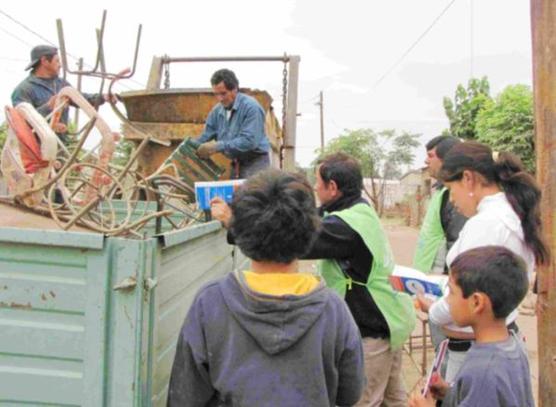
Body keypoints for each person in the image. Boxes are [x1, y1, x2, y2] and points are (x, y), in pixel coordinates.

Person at [212, 152, 416, 407]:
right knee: (394, 400)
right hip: (388, 318)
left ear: (333, 187)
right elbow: (301, 217)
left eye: (318, 182)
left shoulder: (345, 227)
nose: (316, 188)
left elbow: (292, 239)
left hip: (370, 329)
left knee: (363, 402)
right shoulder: (357, 208)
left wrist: (233, 221)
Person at [167, 169, 365, 407]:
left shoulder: (210, 302)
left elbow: (185, 396)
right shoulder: (334, 309)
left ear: (239, 230)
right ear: (311, 232)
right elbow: (350, 393)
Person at [417, 141, 550, 382]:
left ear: (468, 179)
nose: (452, 200)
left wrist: (434, 310)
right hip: (492, 342)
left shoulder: (487, 224)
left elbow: (470, 295)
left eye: (450, 189)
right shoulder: (510, 213)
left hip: (473, 351)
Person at [409, 246, 534, 407]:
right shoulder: (513, 344)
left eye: (451, 293)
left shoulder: (483, 371)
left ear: (476, 302)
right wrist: (449, 393)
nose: (447, 301)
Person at [11, 44, 108, 143]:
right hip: (36, 151)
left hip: (61, 146)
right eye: (57, 61)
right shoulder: (23, 89)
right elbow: (20, 122)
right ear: (44, 61)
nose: (60, 65)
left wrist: (104, 97)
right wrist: (48, 107)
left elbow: (81, 99)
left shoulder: (61, 84)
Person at [190, 68, 271, 178]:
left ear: (235, 89)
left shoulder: (251, 108)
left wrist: (218, 146)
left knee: (254, 193)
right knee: (235, 195)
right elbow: (206, 136)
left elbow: (249, 141)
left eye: (223, 94)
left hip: (256, 164)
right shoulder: (217, 111)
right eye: (216, 94)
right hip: (236, 164)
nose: (220, 99)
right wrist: (191, 145)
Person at [413, 135, 467, 275]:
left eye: (431, 156)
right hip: (428, 276)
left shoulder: (454, 194)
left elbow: (456, 242)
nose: (426, 161)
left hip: (440, 281)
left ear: (447, 159)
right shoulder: (441, 190)